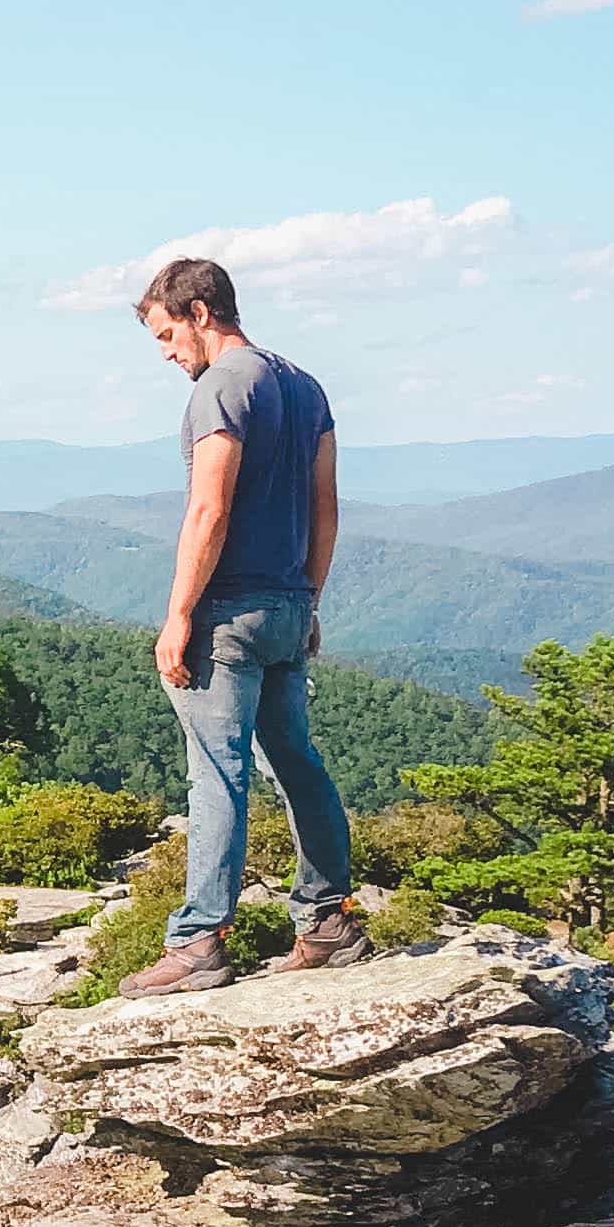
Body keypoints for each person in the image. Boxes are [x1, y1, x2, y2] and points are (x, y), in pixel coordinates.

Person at [111, 254, 367, 994]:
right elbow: (326, 508)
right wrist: (310, 600)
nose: (166, 354)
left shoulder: (223, 386)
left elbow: (209, 508)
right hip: (289, 606)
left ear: (199, 312)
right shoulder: (305, 386)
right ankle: (327, 921)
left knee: (217, 775)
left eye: (166, 335)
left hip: (228, 615)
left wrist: (178, 615)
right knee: (297, 761)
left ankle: (197, 944)